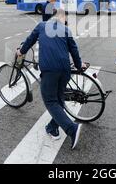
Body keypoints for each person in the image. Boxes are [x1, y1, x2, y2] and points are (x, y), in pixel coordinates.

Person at [17, 9, 87, 149]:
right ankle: (52, 127)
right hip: (65, 70)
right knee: (59, 98)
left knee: (50, 101)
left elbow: (30, 40)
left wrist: (21, 51)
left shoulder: (42, 26)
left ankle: (71, 129)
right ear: (62, 17)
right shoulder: (66, 30)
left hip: (50, 70)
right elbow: (74, 50)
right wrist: (80, 66)